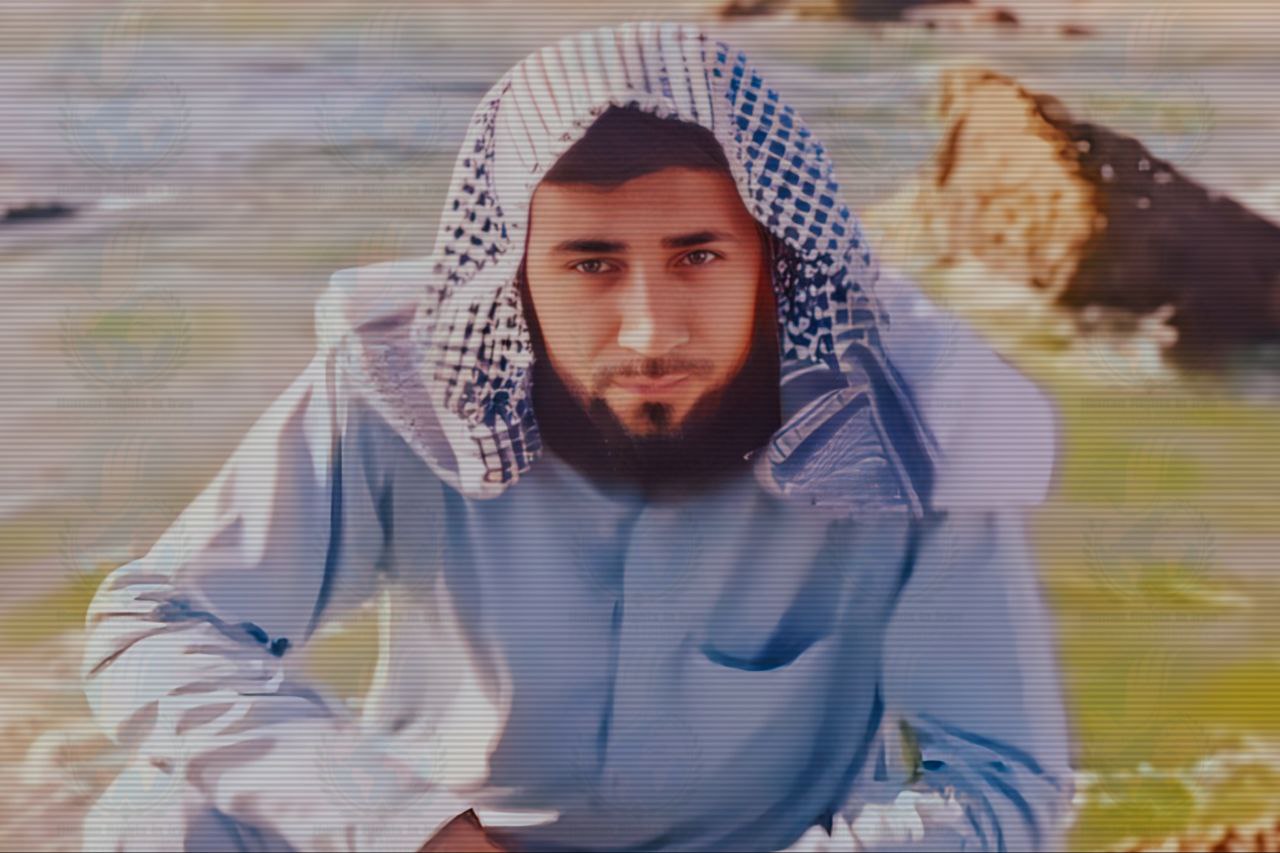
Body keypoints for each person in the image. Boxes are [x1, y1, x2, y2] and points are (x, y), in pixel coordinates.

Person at [81, 21, 1074, 853]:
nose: (649, 331)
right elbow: (158, 626)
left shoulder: (910, 422)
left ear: (772, 261)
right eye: (590, 264)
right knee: (153, 819)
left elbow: (1001, 778)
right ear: (515, 277)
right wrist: (397, 823)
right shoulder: (400, 386)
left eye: (697, 256)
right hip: (440, 839)